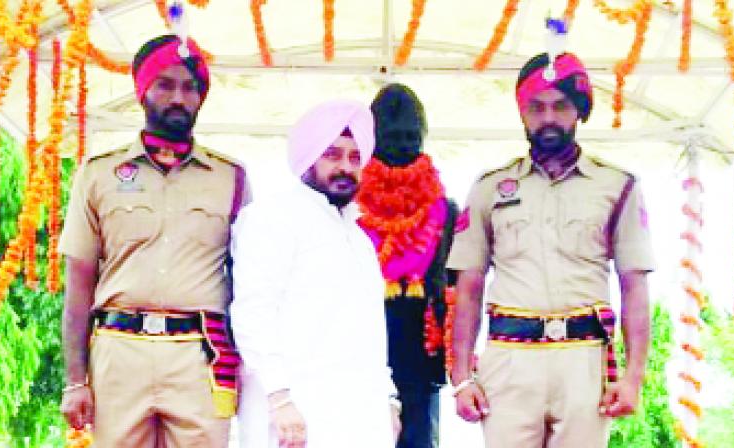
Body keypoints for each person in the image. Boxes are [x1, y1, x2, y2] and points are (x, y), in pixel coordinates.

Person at [447, 52, 654, 447]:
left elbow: (635, 287)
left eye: (560, 106)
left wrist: (633, 379)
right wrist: (461, 377)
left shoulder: (618, 185)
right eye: (536, 108)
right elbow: (468, 286)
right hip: (509, 360)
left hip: (583, 360)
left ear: (578, 111)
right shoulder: (490, 187)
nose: (548, 118)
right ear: (522, 114)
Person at [58, 34, 250, 447]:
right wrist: (75, 381)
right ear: (142, 91)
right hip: (118, 353)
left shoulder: (231, 178)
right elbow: (79, 282)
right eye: (165, 85)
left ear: (201, 97)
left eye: (189, 87)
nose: (178, 98)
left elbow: (247, 282)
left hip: (201, 356)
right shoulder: (98, 174)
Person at [230, 99, 400, 448]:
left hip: (357, 414)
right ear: (309, 157)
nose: (345, 167)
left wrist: (388, 399)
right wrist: (279, 397)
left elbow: (370, 328)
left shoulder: (358, 238)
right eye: (333, 155)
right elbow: (253, 311)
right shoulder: (272, 217)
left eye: (355, 158)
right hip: (294, 412)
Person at [356, 83, 458, 448]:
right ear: (371, 138)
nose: (402, 145)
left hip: (420, 353)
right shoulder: (346, 205)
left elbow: (457, 289)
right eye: (392, 136)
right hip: (358, 346)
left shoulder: (447, 211)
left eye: (411, 136)